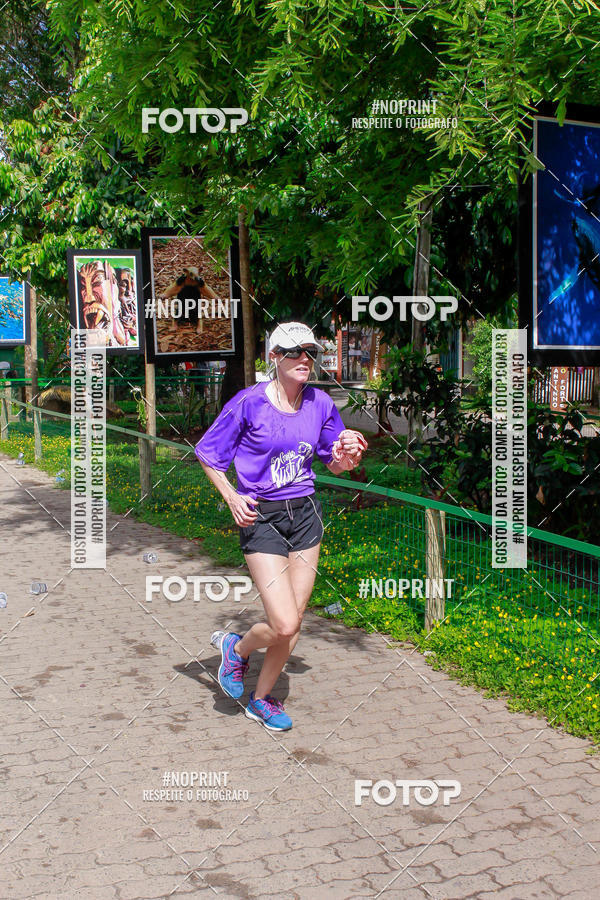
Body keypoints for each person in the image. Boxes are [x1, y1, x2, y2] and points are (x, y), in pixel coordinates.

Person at [195, 321, 367, 731]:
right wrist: (232, 497)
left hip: (305, 513)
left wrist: (351, 453)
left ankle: (261, 698)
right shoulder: (248, 403)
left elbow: (336, 460)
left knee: (296, 618)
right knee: (283, 622)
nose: (304, 359)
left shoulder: (321, 404)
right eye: (293, 352)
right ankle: (237, 649)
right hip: (263, 516)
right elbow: (207, 453)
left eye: (309, 351)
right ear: (274, 358)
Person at [163, 266, 218, 335]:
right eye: (192, 275)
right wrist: (165, 294)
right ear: (186, 272)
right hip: (183, 295)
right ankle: (174, 324)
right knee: (179, 309)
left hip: (195, 296)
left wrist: (214, 297)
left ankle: (199, 325)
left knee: (197, 311)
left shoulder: (199, 281)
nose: (195, 278)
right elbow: (174, 287)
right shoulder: (182, 280)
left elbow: (205, 289)